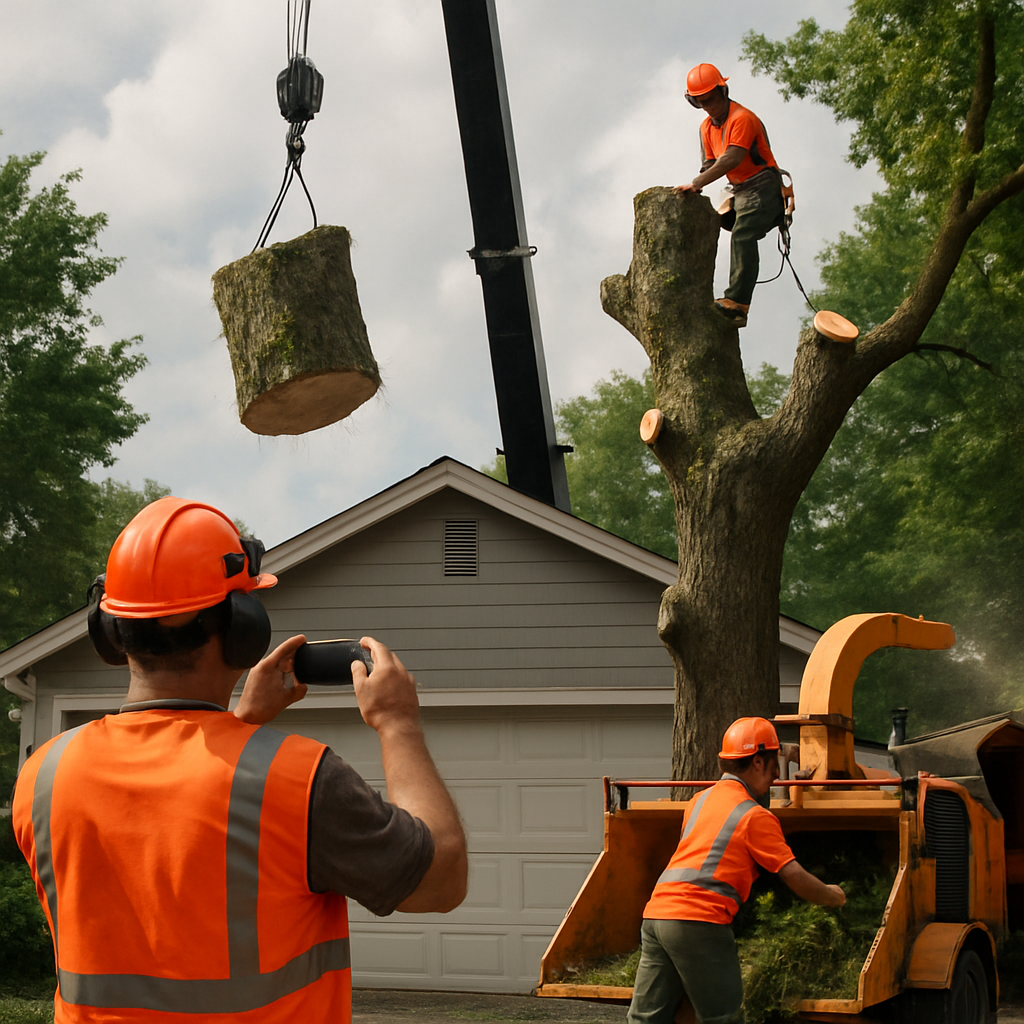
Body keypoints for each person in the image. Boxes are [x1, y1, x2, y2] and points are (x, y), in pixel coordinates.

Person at [12, 496, 468, 1024]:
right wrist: (398, 723)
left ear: (109, 630)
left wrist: (239, 724)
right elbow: (441, 881)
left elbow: (170, 842)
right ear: (241, 628)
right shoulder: (299, 780)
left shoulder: (44, 775)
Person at [626, 717, 845, 1024]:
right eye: (773, 766)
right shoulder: (754, 816)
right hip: (699, 921)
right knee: (723, 1018)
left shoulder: (699, 801)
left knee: (646, 1019)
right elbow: (794, 876)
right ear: (757, 762)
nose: (776, 776)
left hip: (657, 917)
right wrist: (832, 896)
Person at [674, 63, 785, 329]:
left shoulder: (742, 118)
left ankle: (738, 303)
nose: (708, 106)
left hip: (763, 185)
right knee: (717, 222)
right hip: (739, 190)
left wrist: (697, 183)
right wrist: (695, 187)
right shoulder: (705, 128)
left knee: (743, 233)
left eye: (711, 99)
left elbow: (732, 158)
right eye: (701, 102)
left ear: (723, 92)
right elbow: (711, 165)